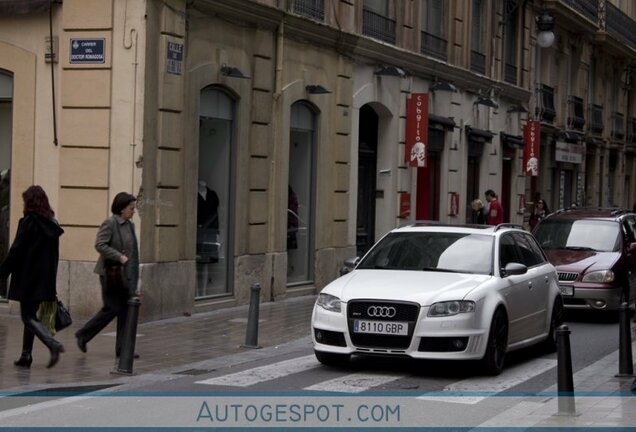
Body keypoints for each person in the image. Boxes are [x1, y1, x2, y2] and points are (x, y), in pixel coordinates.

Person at [0, 185, 65, 368]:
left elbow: (16, 251)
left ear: (30, 202)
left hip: (28, 278)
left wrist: (3, 272)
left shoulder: (28, 222)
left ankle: (52, 344)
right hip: (44, 278)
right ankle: (26, 355)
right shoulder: (52, 223)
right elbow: (55, 256)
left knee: (27, 316)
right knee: (30, 315)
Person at [75, 192, 140, 359]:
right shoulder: (110, 223)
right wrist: (118, 256)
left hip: (125, 275)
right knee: (112, 308)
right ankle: (84, 334)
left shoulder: (130, 225)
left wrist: (134, 276)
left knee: (125, 311)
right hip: (110, 273)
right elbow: (100, 244)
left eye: (134, 208)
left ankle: (123, 349)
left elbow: (134, 253)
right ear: (121, 208)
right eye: (131, 208)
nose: (133, 211)